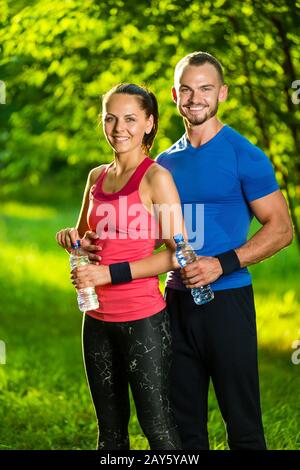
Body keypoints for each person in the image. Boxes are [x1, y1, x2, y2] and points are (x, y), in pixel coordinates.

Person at [72, 53, 293, 450]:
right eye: (187, 89)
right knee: (184, 426)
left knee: (243, 425)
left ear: (221, 93)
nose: (196, 98)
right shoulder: (163, 163)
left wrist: (220, 265)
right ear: (174, 96)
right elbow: (154, 235)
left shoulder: (244, 154)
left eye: (206, 88)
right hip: (172, 302)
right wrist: (92, 241)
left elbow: (282, 229)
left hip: (226, 301)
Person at [56, 83, 184, 450]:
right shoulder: (96, 177)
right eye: (110, 118)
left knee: (156, 428)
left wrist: (108, 274)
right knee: (110, 433)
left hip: (142, 320)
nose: (118, 127)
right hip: (95, 320)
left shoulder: (156, 178)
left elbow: (179, 254)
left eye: (130, 118)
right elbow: (84, 237)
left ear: (149, 123)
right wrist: (71, 240)